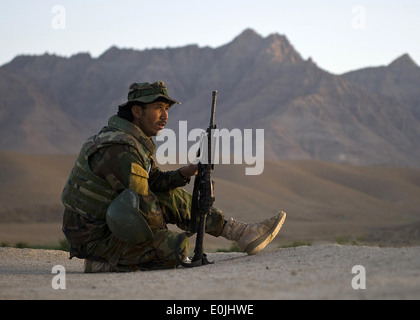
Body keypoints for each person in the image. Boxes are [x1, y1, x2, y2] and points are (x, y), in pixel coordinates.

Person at [61, 81, 286, 272]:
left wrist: (187, 172)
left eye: (167, 108)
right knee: (175, 248)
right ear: (137, 111)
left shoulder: (132, 141)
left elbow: (154, 182)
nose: (165, 115)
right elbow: (145, 206)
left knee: (172, 197)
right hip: (95, 237)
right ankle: (100, 263)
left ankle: (239, 232)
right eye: (158, 108)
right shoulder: (119, 149)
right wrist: (166, 234)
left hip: (110, 224)